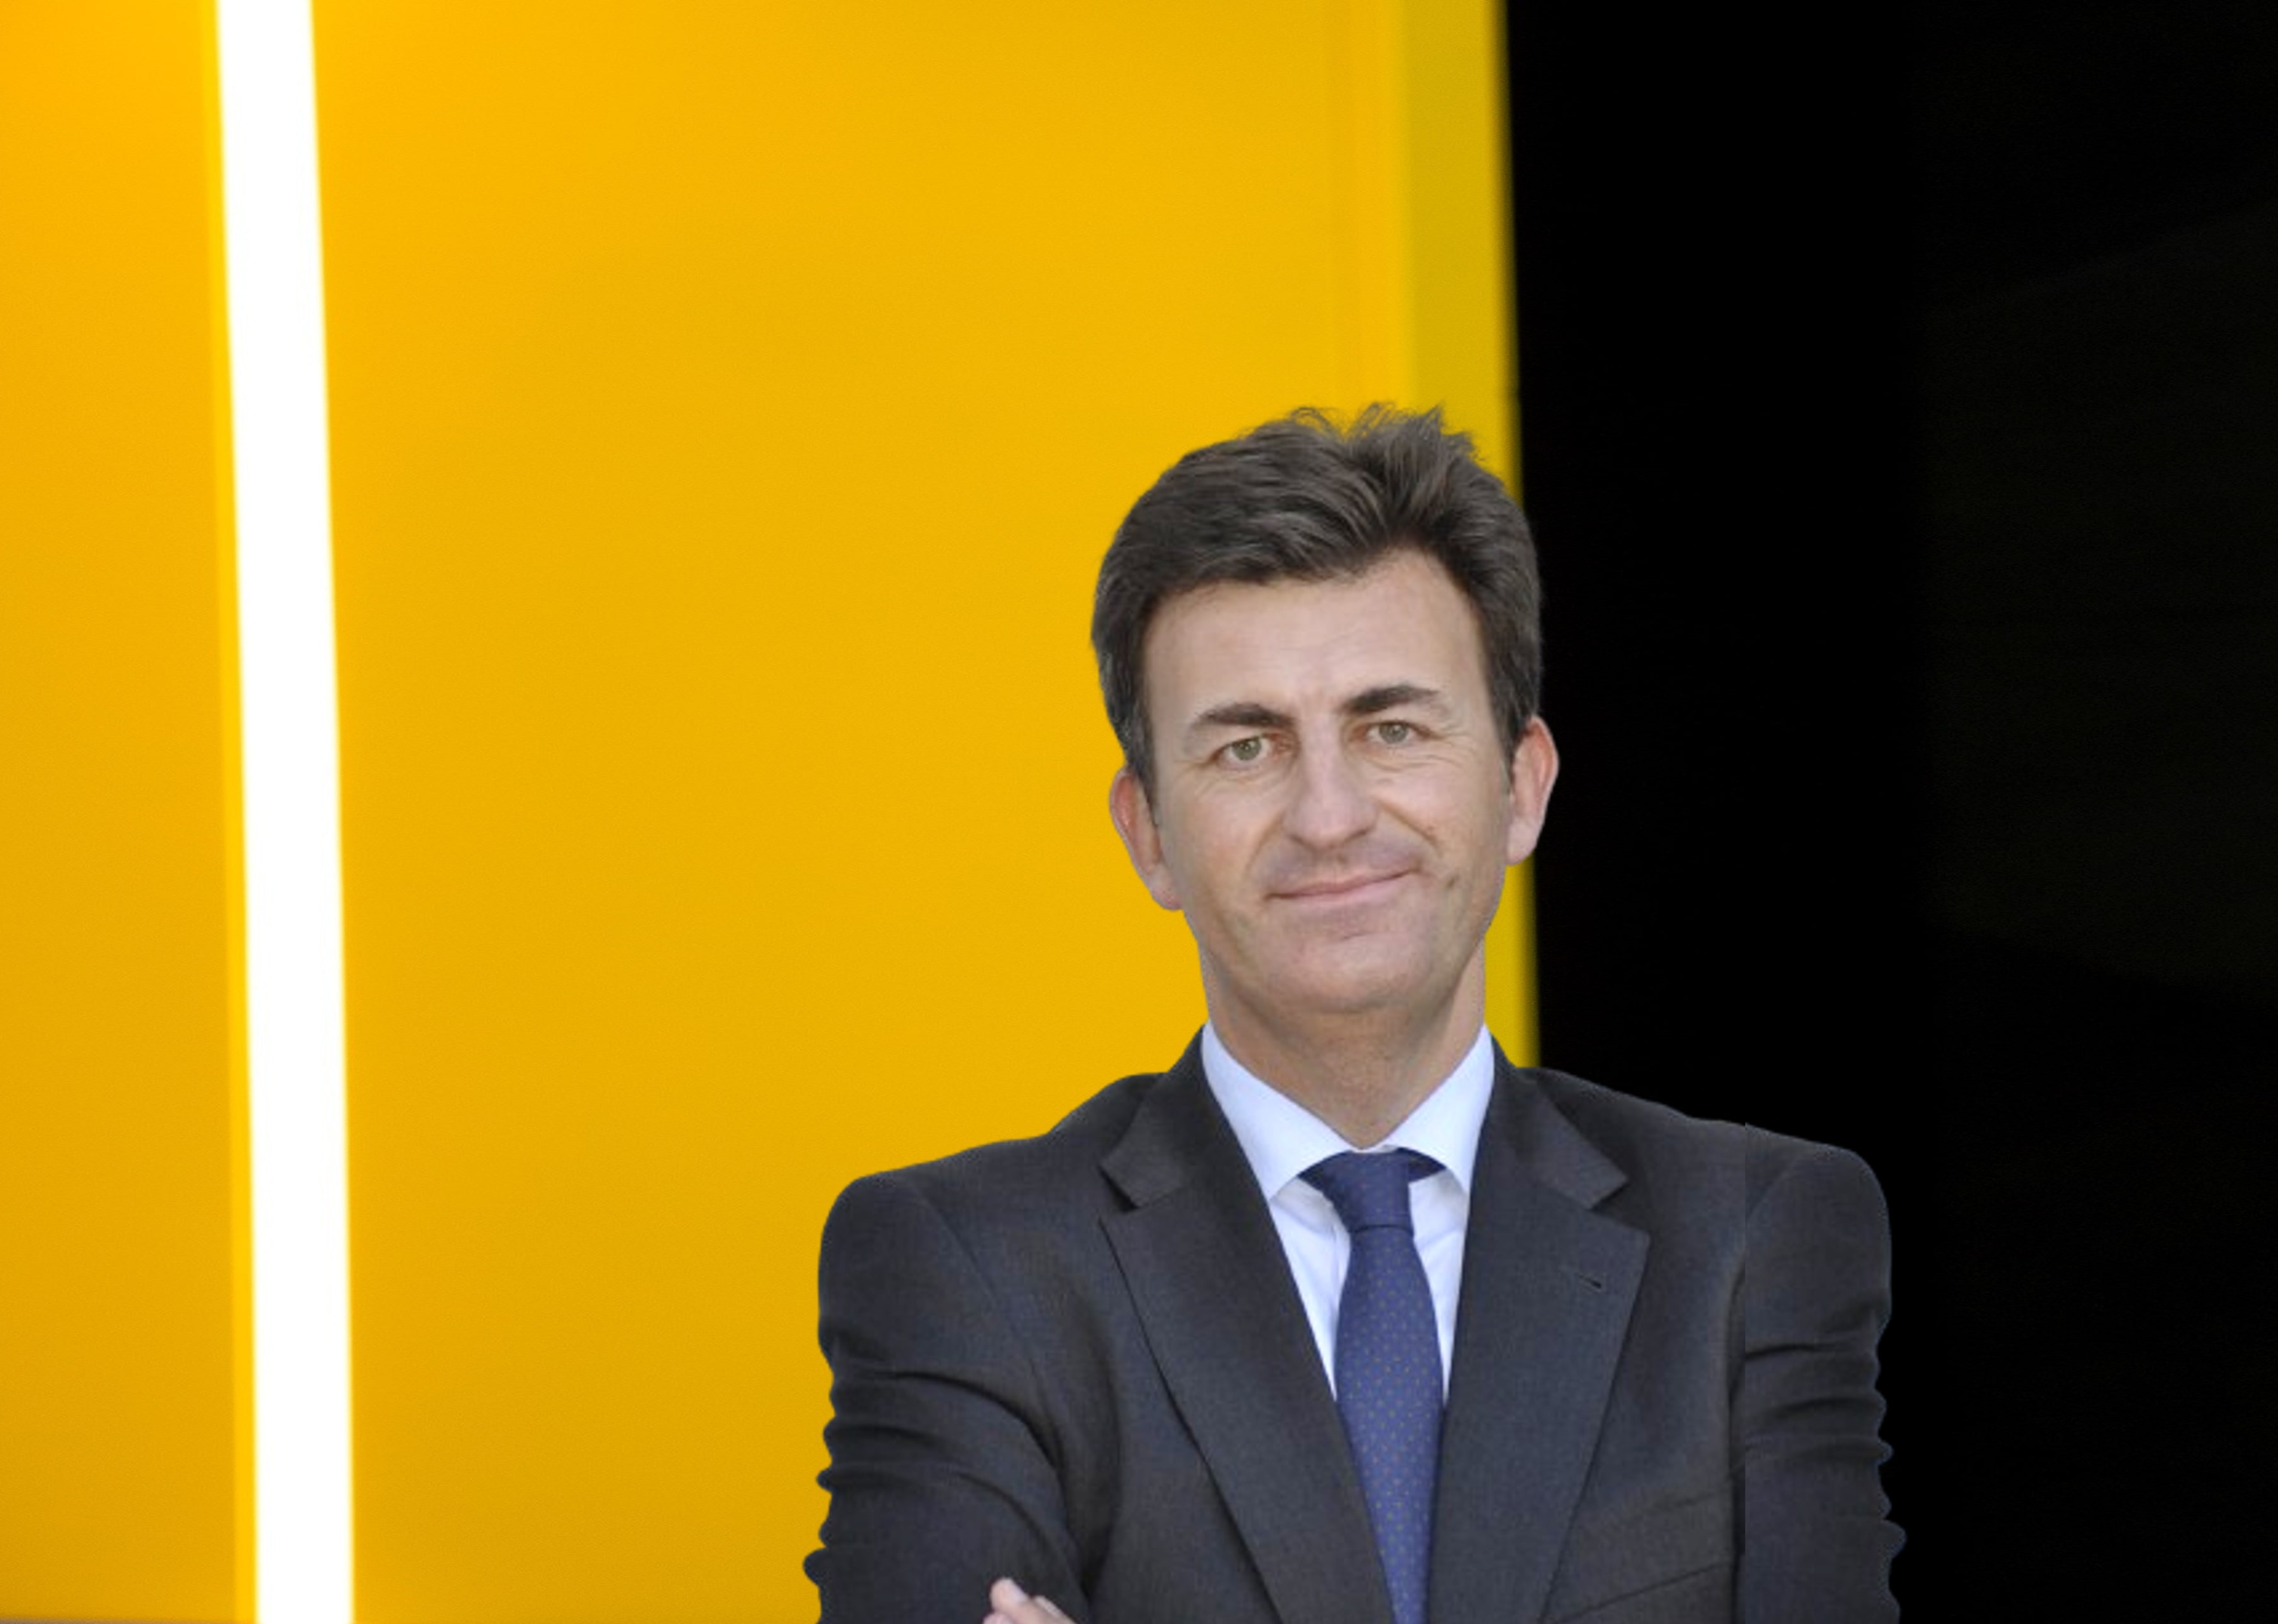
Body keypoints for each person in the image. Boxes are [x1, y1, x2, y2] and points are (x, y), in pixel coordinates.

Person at [807, 406, 1900, 1624]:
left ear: (1522, 785)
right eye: (1246, 748)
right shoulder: (967, 1271)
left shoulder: (1754, 1240)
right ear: (1149, 832)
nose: (1329, 817)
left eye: (1392, 729)